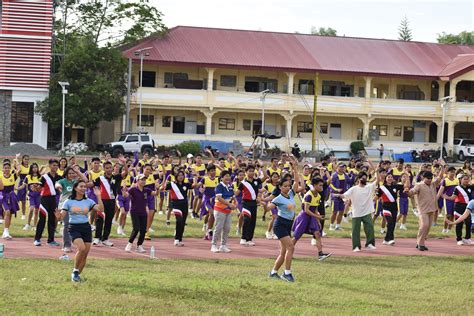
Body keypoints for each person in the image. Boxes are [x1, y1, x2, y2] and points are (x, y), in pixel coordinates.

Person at [60, 181, 103, 282]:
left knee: (85, 254)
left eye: (84, 187)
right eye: (81, 186)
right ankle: (75, 271)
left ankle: (77, 275)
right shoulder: (68, 201)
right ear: (75, 188)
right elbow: (61, 216)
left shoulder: (88, 201)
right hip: (74, 228)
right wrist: (58, 216)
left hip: (86, 228)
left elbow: (101, 209)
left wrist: (99, 196)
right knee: (82, 248)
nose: (83, 188)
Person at [267, 157, 302, 282]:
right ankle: (287, 273)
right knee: (291, 247)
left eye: (288, 185)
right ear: (280, 187)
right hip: (280, 225)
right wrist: (263, 203)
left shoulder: (291, 194)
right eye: (285, 186)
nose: (288, 187)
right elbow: (269, 207)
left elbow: (297, 181)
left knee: (283, 252)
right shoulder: (278, 198)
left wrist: (295, 168)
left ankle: (273, 272)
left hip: (288, 225)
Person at [292, 177, 332, 261]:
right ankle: (286, 251)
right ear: (314, 185)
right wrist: (317, 217)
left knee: (317, 234)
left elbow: (316, 209)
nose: (322, 187)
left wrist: (318, 220)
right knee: (296, 236)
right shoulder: (309, 195)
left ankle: (320, 254)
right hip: (304, 217)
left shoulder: (318, 196)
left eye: (322, 185)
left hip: (312, 216)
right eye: (320, 185)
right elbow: (306, 210)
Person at [338, 172, 377, 252]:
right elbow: (345, 195)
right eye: (362, 178)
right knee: (355, 230)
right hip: (356, 213)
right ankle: (356, 246)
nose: (364, 179)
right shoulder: (353, 189)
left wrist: (376, 170)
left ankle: (370, 243)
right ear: (358, 179)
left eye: (365, 178)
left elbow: (377, 180)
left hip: (367, 212)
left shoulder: (369, 187)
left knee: (370, 227)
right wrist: (339, 195)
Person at [407, 169, 443, 251]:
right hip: (422, 209)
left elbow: (440, 177)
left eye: (431, 178)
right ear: (423, 178)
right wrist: (407, 192)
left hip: (432, 209)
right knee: (424, 225)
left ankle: (420, 242)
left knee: (428, 227)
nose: (430, 180)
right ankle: (420, 244)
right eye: (428, 178)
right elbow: (412, 192)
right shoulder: (419, 185)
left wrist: (442, 167)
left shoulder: (433, 184)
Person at [55, 166, 88, 255]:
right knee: (67, 225)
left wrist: (78, 171)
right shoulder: (62, 181)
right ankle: (66, 245)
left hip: (75, 206)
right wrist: (59, 187)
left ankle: (77, 241)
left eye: (73, 173)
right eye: (69, 173)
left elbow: (85, 180)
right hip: (64, 206)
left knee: (76, 225)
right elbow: (57, 184)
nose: (71, 175)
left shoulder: (75, 182)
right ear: (66, 174)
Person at [124, 174, 158, 253]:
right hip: (134, 211)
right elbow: (126, 195)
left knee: (143, 230)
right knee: (136, 228)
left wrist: (158, 188)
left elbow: (155, 193)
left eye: (144, 180)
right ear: (137, 181)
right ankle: (129, 244)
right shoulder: (133, 189)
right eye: (141, 179)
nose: (143, 181)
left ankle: (139, 245)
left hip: (143, 212)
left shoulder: (147, 190)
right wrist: (124, 191)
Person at [34, 159, 62, 246]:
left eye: (57, 165)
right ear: (49, 166)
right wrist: (36, 187)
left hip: (53, 200)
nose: (56, 167)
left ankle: (51, 240)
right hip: (44, 200)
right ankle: (37, 239)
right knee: (42, 219)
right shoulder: (44, 177)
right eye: (54, 165)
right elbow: (39, 188)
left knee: (52, 220)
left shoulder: (59, 177)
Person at [162, 170, 192, 246]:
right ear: (176, 177)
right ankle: (176, 239)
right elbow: (163, 188)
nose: (181, 177)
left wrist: (195, 176)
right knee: (179, 220)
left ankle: (180, 239)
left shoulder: (186, 184)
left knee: (183, 223)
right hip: (176, 205)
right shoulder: (172, 184)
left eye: (182, 175)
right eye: (179, 175)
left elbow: (194, 185)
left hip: (184, 205)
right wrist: (164, 179)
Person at [235, 164, 262, 246]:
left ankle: (249, 239)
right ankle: (243, 238)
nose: (252, 172)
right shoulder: (242, 183)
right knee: (247, 220)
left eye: (253, 171)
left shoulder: (257, 181)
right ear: (246, 172)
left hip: (254, 204)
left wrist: (261, 167)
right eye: (249, 171)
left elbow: (267, 176)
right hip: (246, 203)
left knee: (253, 222)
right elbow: (236, 193)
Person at [442, 174, 473, 245]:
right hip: (459, 207)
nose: (466, 180)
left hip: (468, 208)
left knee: (468, 223)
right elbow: (453, 197)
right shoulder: (457, 188)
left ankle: (467, 238)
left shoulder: (471, 187)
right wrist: (446, 197)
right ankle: (459, 239)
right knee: (459, 223)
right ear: (460, 180)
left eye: (468, 179)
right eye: (464, 179)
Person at [211, 170, 236, 253]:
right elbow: (219, 198)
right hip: (219, 210)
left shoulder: (230, 186)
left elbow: (233, 196)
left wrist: (235, 203)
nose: (228, 177)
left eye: (229, 176)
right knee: (218, 228)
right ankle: (214, 245)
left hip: (228, 211)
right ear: (221, 178)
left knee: (227, 228)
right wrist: (229, 204)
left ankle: (223, 245)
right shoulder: (219, 186)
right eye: (226, 176)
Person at [0, 161, 19, 239]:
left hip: (11, 195)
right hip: (3, 196)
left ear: (10, 169)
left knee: (10, 214)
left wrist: (16, 160)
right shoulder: (0, 177)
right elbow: (1, 188)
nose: (7, 169)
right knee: (7, 211)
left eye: (8, 168)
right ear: (3, 169)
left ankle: (6, 231)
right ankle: (5, 231)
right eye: (5, 168)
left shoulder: (13, 176)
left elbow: (19, 169)